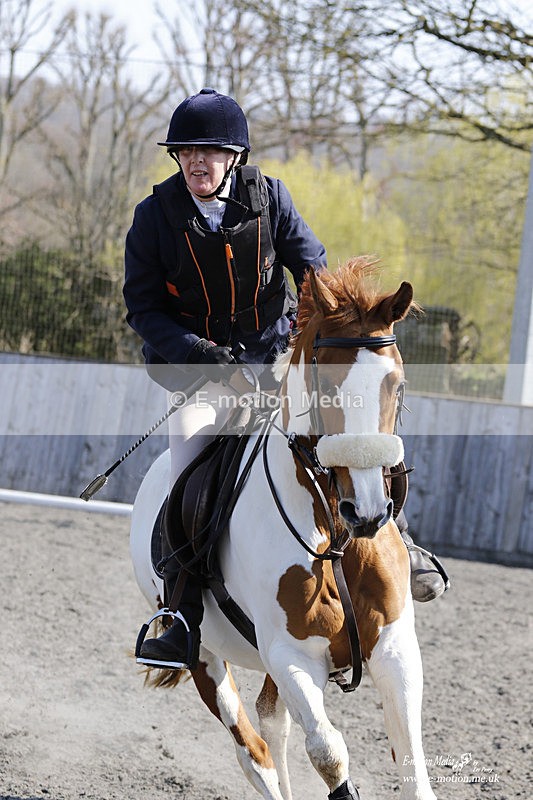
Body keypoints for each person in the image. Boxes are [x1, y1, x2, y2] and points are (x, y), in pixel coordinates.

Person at [123, 88, 447, 671]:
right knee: (187, 470)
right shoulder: (154, 217)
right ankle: (178, 613)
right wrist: (201, 354)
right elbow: (143, 312)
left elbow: (315, 274)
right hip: (198, 377)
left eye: (211, 151)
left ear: (235, 157)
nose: (198, 161)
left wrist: (305, 343)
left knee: (348, 437)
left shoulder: (270, 199)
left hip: (276, 361)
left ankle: (400, 542)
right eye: (187, 151)